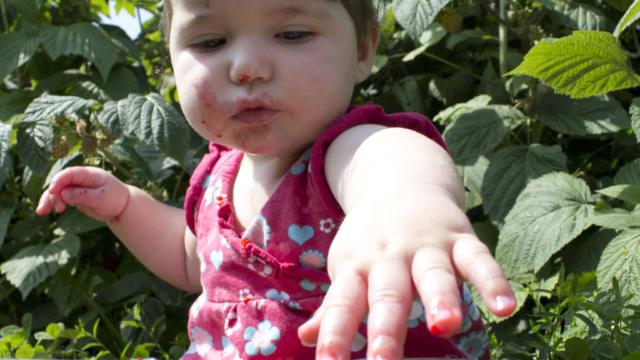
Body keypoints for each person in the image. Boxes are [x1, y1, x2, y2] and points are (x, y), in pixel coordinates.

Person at [36, 0, 516, 358]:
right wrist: (126, 207)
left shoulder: (348, 150)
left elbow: (393, 163)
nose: (247, 67)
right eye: (209, 42)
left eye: (291, 34)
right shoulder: (216, 174)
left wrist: (405, 210)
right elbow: (192, 261)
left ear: (364, 48)